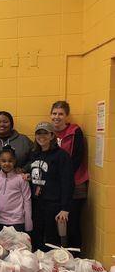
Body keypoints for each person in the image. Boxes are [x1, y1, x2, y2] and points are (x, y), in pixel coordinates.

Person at [51, 100, 88, 254]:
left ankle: (76, 257)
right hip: (55, 184)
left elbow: (77, 157)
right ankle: (58, 256)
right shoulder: (48, 133)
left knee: (71, 223)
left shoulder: (75, 132)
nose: (57, 117)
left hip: (75, 182)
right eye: (54, 113)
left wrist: (63, 175)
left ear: (66, 116)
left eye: (61, 114)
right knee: (55, 222)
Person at [30, 122, 74, 251]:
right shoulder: (34, 154)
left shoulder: (61, 156)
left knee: (52, 238)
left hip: (53, 204)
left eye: (45, 133)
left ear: (51, 135)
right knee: (37, 235)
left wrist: (65, 208)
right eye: (39, 133)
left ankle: (53, 267)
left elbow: (68, 182)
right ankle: (38, 266)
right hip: (36, 203)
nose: (41, 136)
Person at [0, 146, 32, 235]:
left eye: (10, 161)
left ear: (14, 162)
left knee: (17, 248)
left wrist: (28, 224)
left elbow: (27, 200)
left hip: (17, 221)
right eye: (3, 161)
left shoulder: (21, 179)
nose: (7, 164)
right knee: (1, 248)